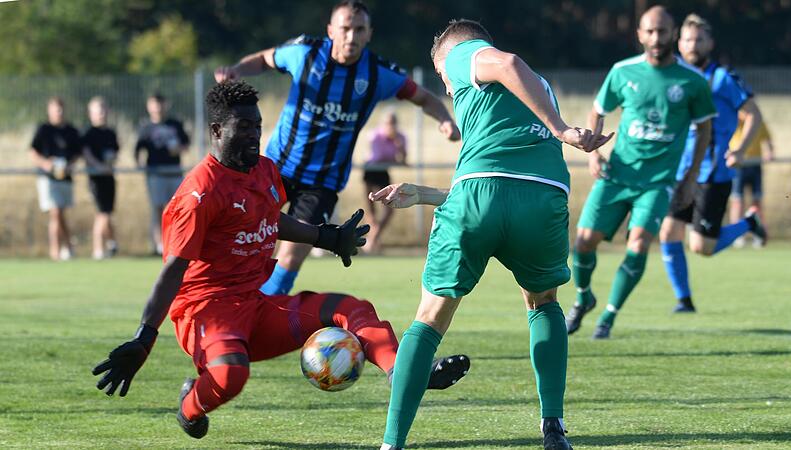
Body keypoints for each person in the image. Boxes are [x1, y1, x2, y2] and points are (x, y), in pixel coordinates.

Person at [91, 81, 469, 440]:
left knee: (351, 309)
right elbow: (173, 270)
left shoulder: (265, 170)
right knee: (231, 375)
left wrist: (325, 236)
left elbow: (271, 218)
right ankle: (190, 407)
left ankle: (403, 373)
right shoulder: (199, 194)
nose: (254, 134)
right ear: (217, 130)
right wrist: (145, 337)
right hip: (205, 312)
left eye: (257, 126)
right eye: (244, 127)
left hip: (255, 304)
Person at [370, 19, 612, 450]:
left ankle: (392, 443)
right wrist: (426, 194)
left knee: (430, 316)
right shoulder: (539, 85)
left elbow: (506, 64)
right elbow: (506, 175)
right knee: (543, 303)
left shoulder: (465, 54)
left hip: (481, 198)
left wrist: (561, 129)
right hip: (542, 200)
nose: (448, 88)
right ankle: (553, 427)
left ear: (448, 57)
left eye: (442, 77)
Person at [214, 0, 460, 296]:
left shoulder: (377, 73)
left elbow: (423, 97)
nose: (351, 36)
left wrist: (445, 119)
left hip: (322, 182)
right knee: (248, 233)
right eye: (345, 28)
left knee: (293, 254)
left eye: (359, 30)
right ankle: (225, 297)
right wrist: (237, 70)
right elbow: (266, 58)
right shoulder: (305, 54)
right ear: (331, 30)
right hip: (277, 168)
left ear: (369, 34)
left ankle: (263, 307)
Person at [566, 6, 717, 339]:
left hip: (657, 183)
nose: (656, 38)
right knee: (583, 242)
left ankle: (608, 317)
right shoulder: (623, 72)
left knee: (637, 245)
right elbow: (597, 111)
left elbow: (705, 129)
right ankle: (583, 298)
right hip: (616, 175)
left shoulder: (692, 81)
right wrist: (594, 153)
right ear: (639, 35)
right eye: (650, 31)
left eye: (662, 31)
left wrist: (690, 178)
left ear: (673, 33)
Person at [659, 14, 768, 312]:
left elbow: (754, 114)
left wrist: (740, 150)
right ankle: (684, 301)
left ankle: (750, 223)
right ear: (679, 43)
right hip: (680, 173)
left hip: (713, 173)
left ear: (710, 44)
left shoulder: (723, 78)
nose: (693, 45)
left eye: (699, 40)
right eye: (688, 39)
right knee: (668, 232)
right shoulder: (673, 77)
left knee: (702, 247)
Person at [135, 93, 190, 255]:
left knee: (177, 209)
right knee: (158, 209)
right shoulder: (146, 127)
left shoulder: (175, 124)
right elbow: (137, 150)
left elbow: (186, 144)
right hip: (155, 174)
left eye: (160, 104)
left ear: (166, 105)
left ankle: (176, 242)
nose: (157, 108)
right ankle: (159, 245)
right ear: (148, 106)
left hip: (174, 172)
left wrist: (178, 149)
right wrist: (140, 166)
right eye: (154, 104)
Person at [29, 97, 82, 261]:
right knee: (55, 212)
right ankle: (55, 251)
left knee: (60, 214)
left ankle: (68, 246)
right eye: (55, 109)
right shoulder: (43, 129)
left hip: (65, 178)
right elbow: (32, 151)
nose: (59, 112)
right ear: (49, 110)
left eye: (61, 109)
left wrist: (69, 165)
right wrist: (45, 164)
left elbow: (77, 153)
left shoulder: (71, 131)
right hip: (48, 178)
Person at [363, 110, 406, 253]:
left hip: (383, 173)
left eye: (393, 123)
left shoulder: (400, 137)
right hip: (371, 171)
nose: (391, 126)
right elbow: (378, 157)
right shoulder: (376, 136)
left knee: (389, 209)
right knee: (371, 210)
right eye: (388, 123)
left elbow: (403, 159)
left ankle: (372, 240)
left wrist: (399, 145)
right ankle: (372, 242)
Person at [82, 97, 119, 260]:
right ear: (90, 113)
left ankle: (112, 243)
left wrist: (110, 162)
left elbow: (115, 152)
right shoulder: (88, 133)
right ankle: (98, 249)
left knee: (107, 212)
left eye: (103, 110)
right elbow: (86, 154)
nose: (101, 114)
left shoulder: (110, 133)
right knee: (102, 213)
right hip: (96, 179)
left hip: (109, 177)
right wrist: (99, 167)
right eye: (97, 111)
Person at [728, 120, 774, 248]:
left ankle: (758, 234)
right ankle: (737, 235)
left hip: (755, 165)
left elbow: (767, 139)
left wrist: (769, 151)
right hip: (739, 166)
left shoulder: (758, 121)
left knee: (757, 201)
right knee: (737, 201)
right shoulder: (735, 121)